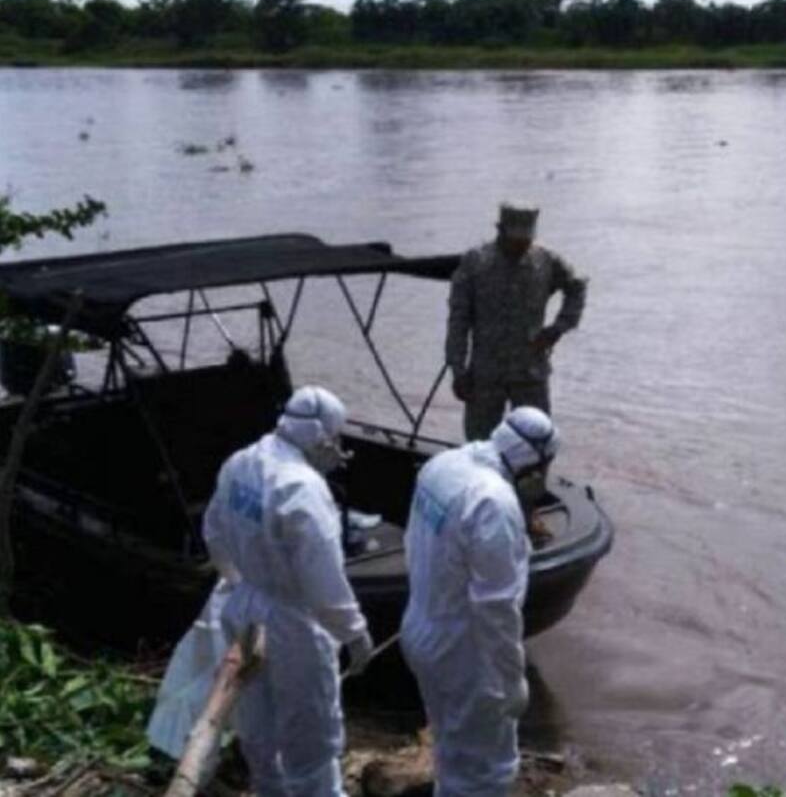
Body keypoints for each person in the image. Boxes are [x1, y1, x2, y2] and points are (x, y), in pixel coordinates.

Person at [203, 385, 374, 797]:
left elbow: (214, 533)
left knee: (257, 727)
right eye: (336, 440)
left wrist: (238, 582)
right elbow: (325, 584)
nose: (338, 450)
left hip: (244, 607)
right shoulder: (304, 490)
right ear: (321, 437)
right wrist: (355, 633)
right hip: (294, 625)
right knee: (313, 738)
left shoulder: (241, 462)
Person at [400, 406, 561, 797]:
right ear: (536, 466)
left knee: (451, 748)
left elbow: (413, 544)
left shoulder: (443, 465)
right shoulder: (494, 503)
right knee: (488, 771)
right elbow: (496, 609)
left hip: (421, 629)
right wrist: (510, 680)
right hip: (465, 655)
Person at [446, 203, 587, 442]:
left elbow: (577, 285)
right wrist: (457, 369)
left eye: (526, 240)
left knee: (537, 442)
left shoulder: (545, 261)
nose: (521, 246)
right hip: (485, 374)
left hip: (530, 372)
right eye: (516, 240)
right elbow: (458, 319)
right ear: (500, 231)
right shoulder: (476, 263)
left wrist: (559, 327)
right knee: (479, 443)